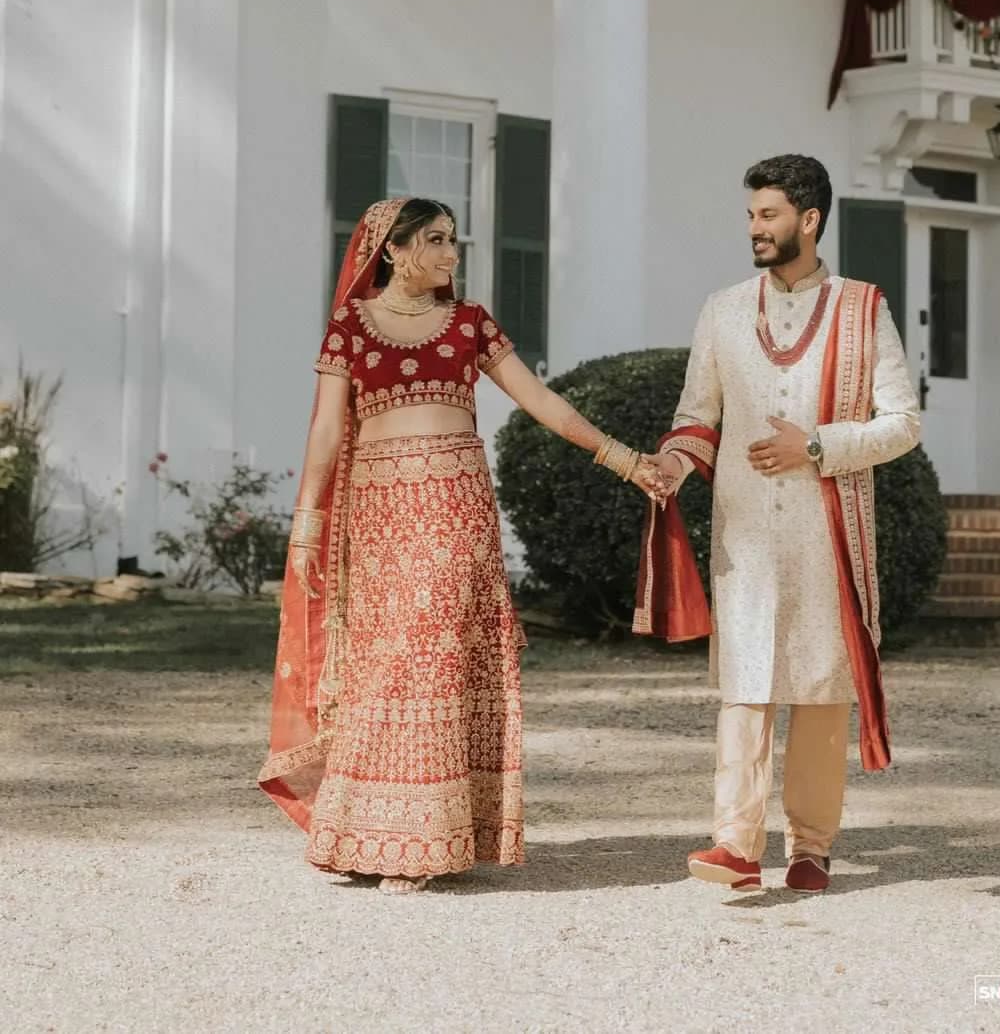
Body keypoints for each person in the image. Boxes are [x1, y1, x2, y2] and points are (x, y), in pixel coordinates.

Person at [259, 196, 665, 893]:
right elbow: (327, 431)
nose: (451, 253)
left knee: (432, 660)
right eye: (437, 240)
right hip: (380, 513)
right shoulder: (349, 328)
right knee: (383, 666)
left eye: (453, 240)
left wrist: (625, 460)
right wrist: (306, 523)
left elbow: (541, 402)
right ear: (392, 249)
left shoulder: (471, 324)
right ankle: (366, 830)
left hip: (454, 508)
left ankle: (422, 839)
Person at [634, 155, 919, 894]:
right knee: (747, 683)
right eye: (751, 216)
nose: (754, 229)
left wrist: (817, 444)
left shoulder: (862, 307)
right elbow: (696, 415)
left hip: (828, 533)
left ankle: (811, 847)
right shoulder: (723, 309)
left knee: (820, 690)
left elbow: (904, 424)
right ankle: (735, 844)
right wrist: (672, 462)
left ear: (810, 219)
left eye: (768, 216)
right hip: (745, 533)